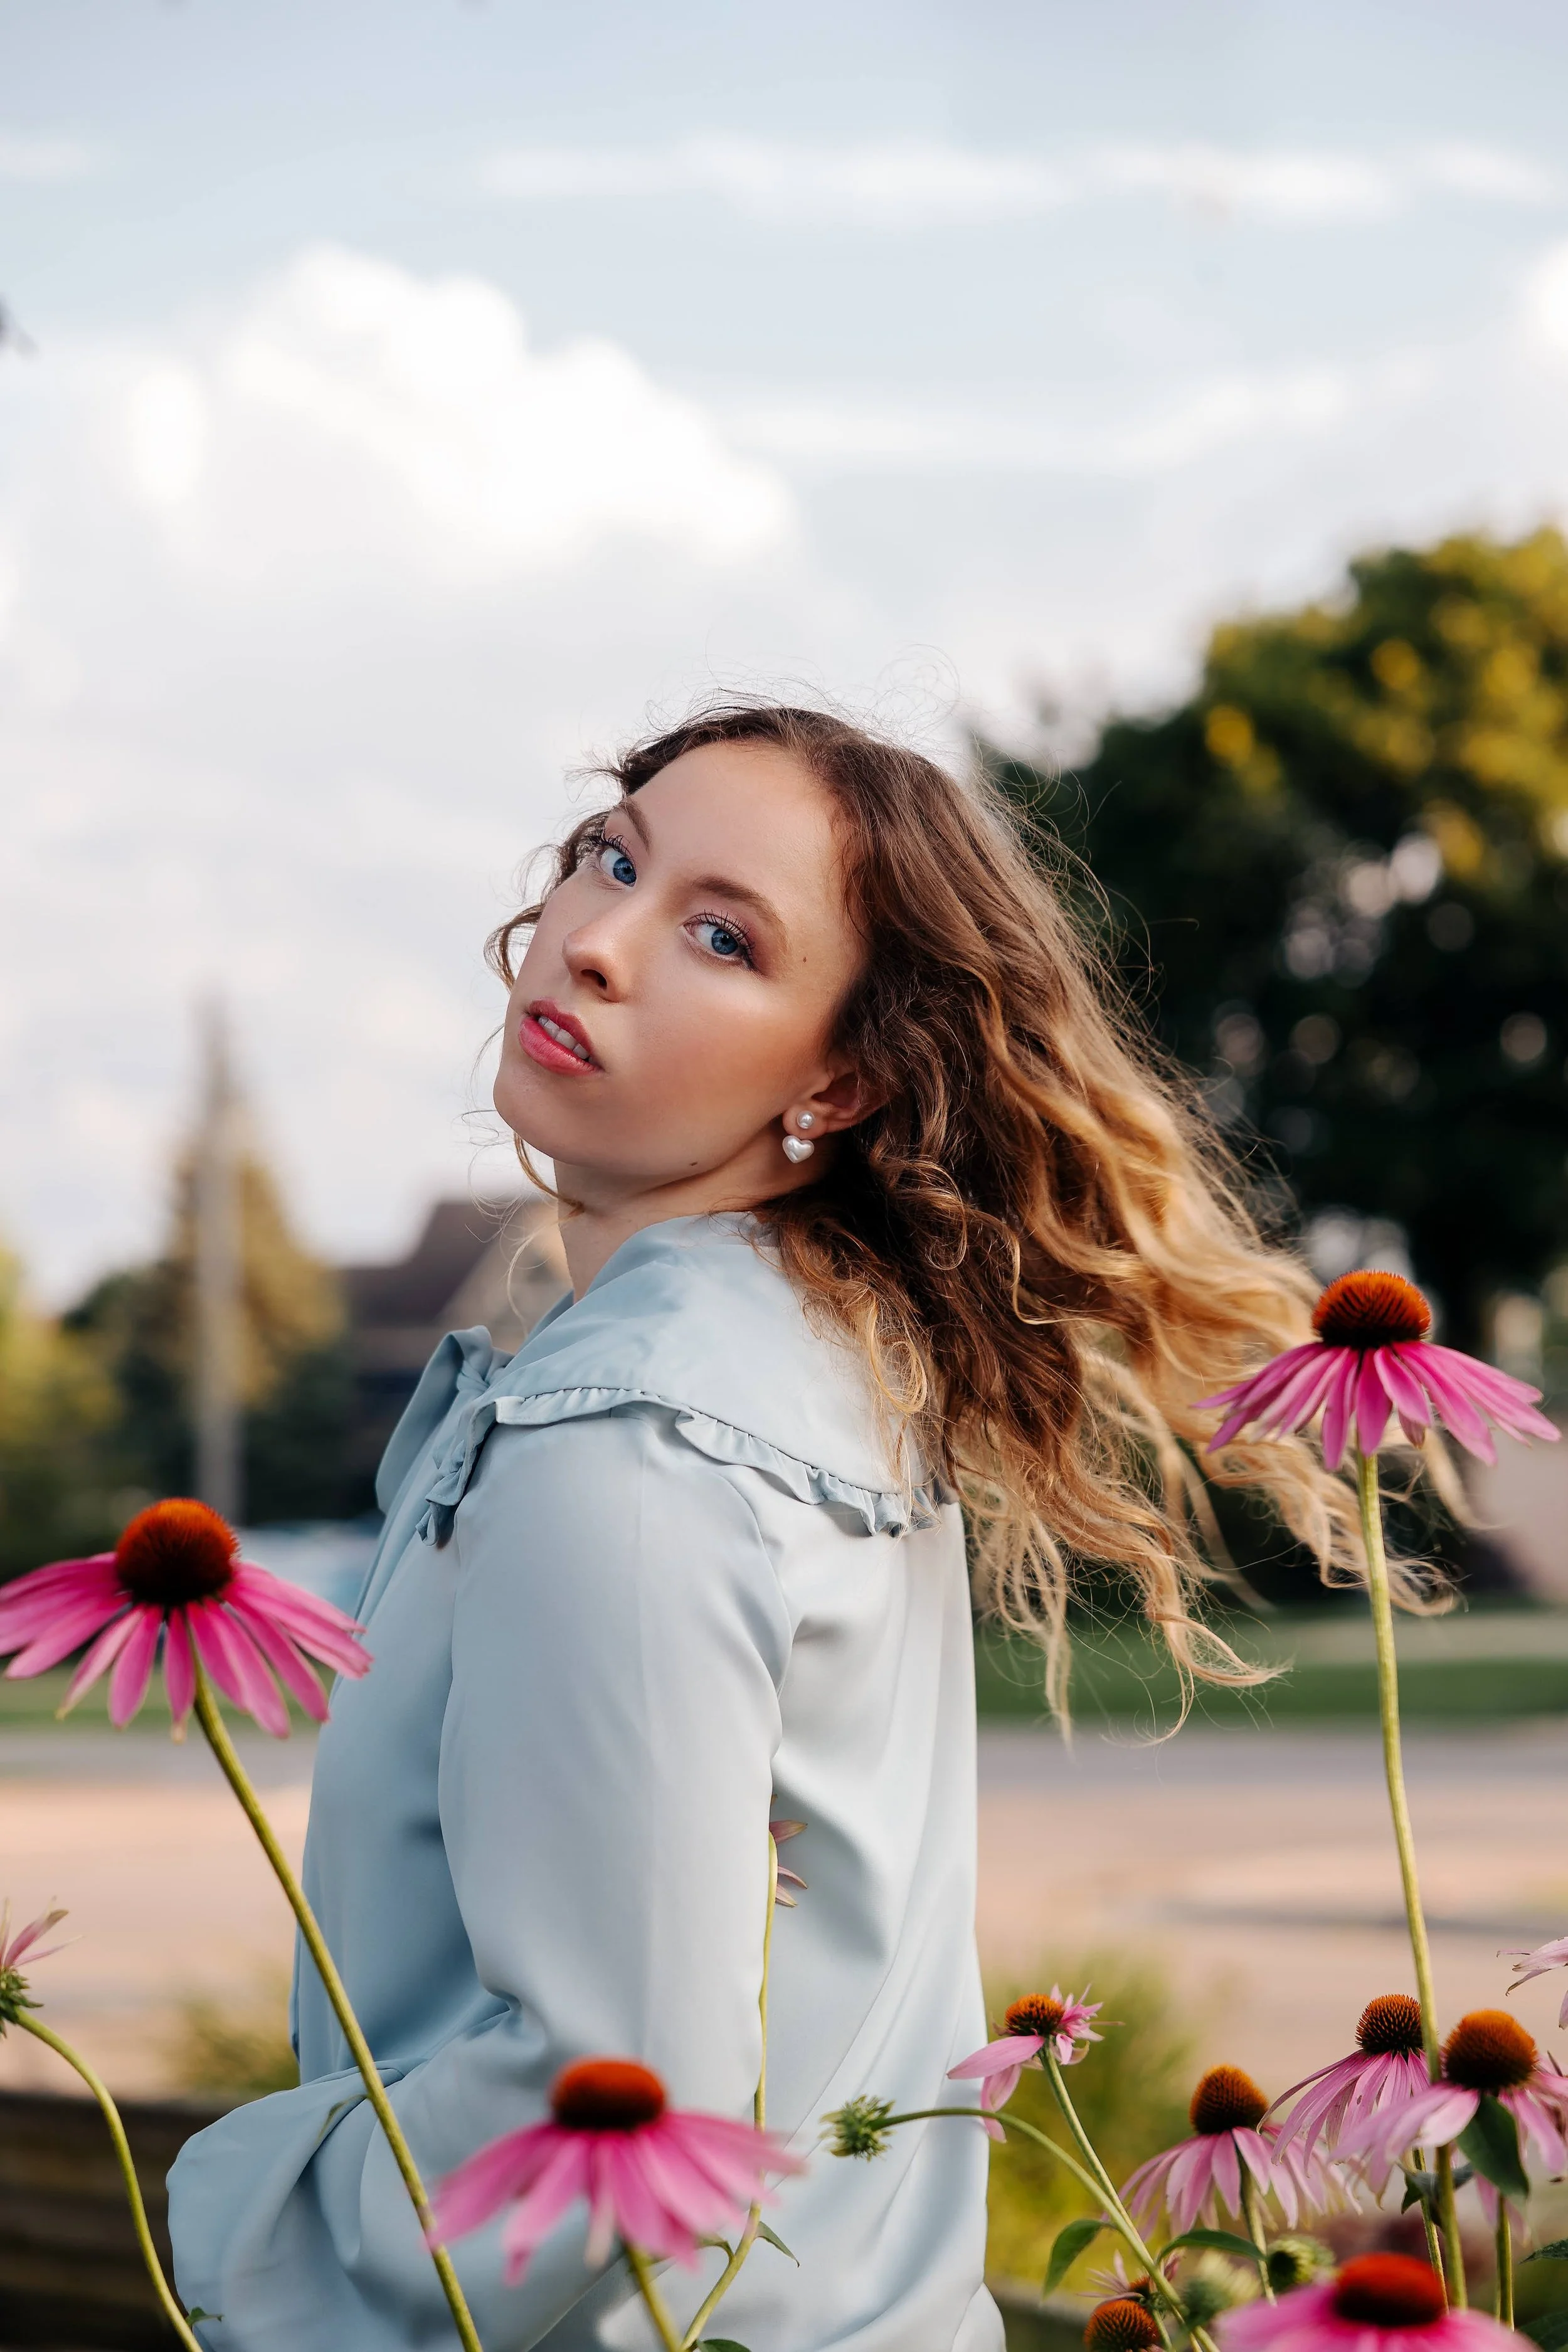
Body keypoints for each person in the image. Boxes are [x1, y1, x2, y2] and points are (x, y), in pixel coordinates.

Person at [169, 704, 1357, 2349]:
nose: (596, 941)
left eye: (720, 934)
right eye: (613, 857)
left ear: (842, 1077)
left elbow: (608, 2113)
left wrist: (246, 2222)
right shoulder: (811, 1366)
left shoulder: (639, 1444)